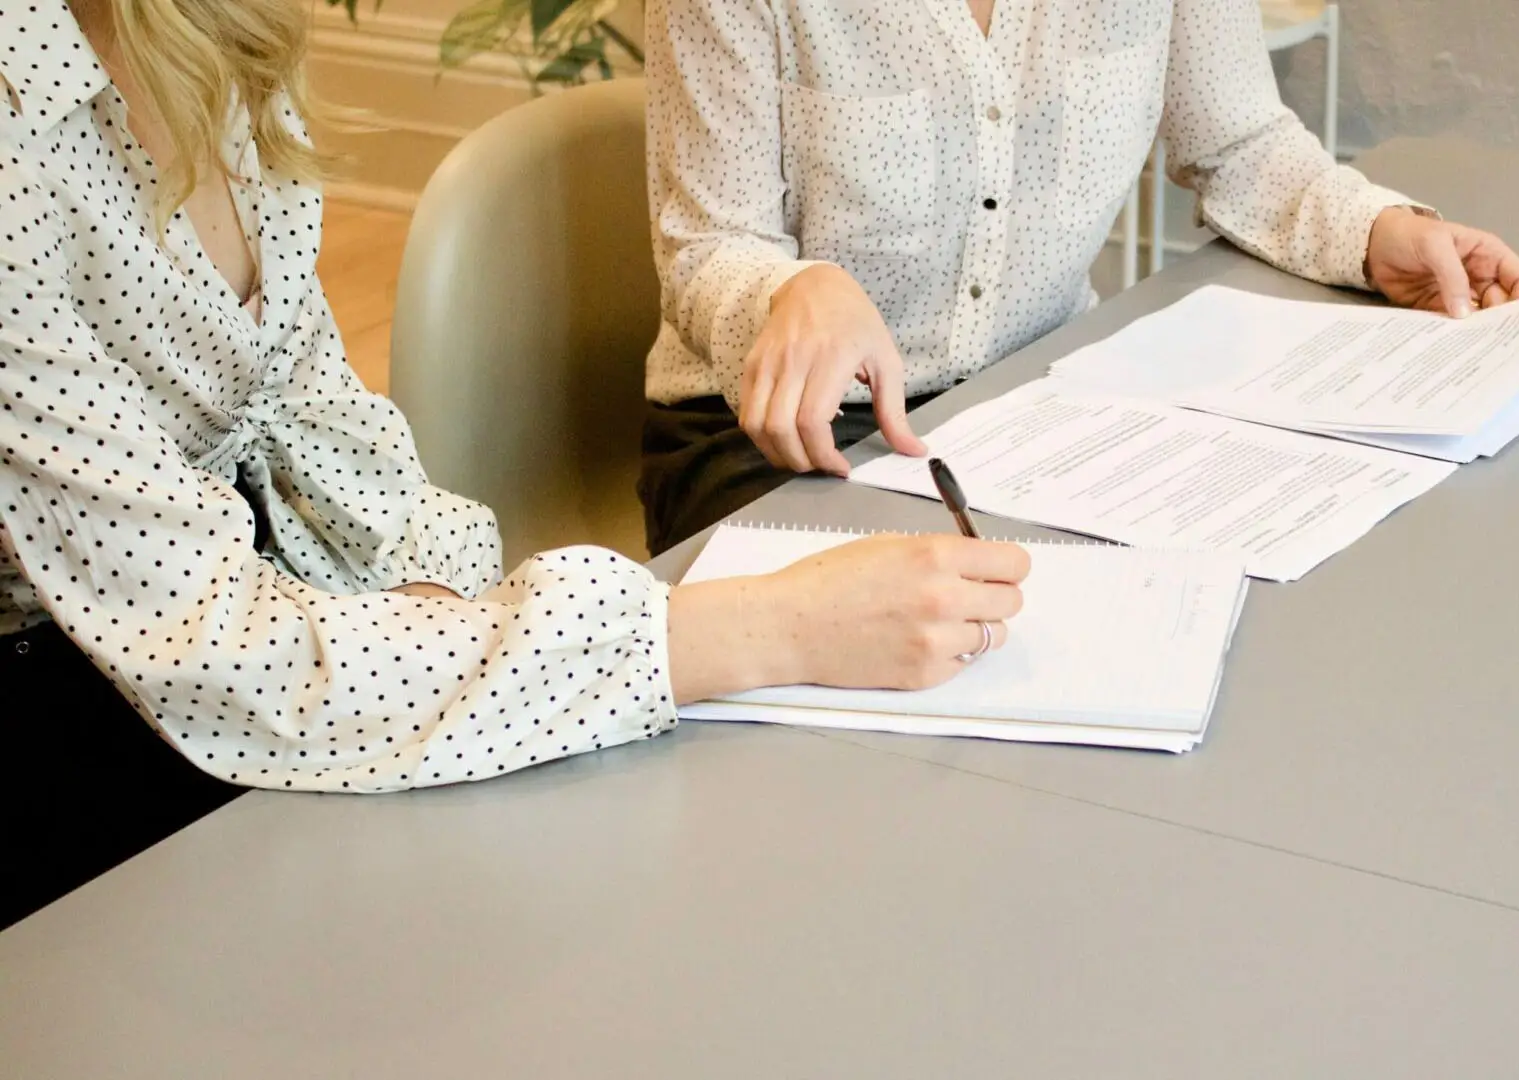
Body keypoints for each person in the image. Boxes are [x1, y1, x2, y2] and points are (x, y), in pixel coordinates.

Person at [0, 0, 1030, 931]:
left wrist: (444, 606)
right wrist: (767, 628)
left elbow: (315, 420)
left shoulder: (217, 36)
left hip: (245, 617)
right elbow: (216, 648)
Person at [641, 0, 1519, 550]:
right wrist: (789, 293)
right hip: (773, 437)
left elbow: (1239, 143)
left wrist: (1375, 229)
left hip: (1033, 409)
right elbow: (708, 243)